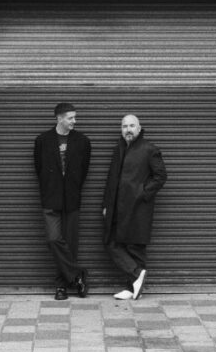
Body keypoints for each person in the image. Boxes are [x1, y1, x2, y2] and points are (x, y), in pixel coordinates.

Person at [102, 114, 167, 300]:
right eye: (124, 126)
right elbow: (111, 179)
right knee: (112, 242)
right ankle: (136, 277)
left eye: (131, 126)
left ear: (139, 128)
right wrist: (106, 205)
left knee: (135, 247)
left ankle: (132, 288)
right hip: (117, 207)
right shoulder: (120, 149)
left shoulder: (149, 149)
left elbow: (161, 176)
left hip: (137, 208)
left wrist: (142, 193)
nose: (128, 129)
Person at [33, 102, 91, 300]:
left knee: (71, 244)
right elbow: (39, 169)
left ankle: (62, 286)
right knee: (53, 239)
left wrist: (72, 187)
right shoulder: (42, 140)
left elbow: (84, 170)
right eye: (70, 118)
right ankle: (78, 275)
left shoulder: (82, 141)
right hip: (51, 199)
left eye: (75, 117)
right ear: (59, 118)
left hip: (72, 199)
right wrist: (51, 188)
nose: (75, 121)